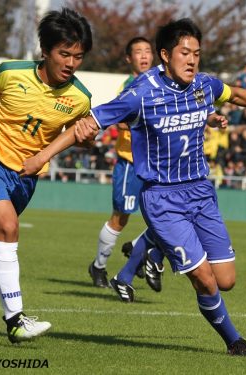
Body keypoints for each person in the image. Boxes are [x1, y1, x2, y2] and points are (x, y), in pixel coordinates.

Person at [22, 18, 246, 356]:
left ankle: (154, 247)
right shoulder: (140, 93)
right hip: (162, 198)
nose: (193, 60)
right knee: (205, 280)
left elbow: (236, 95)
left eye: (197, 53)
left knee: (226, 279)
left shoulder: (203, 85)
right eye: (185, 53)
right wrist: (41, 156)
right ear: (165, 55)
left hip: (200, 192)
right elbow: (91, 121)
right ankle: (234, 341)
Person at [0, 8, 93, 343]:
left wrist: (87, 139)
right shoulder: (10, 73)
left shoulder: (80, 98)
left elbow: (77, 137)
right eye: (64, 54)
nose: (71, 63)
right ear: (45, 50)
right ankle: (15, 319)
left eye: (78, 57)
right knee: (8, 227)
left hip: (24, 181)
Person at [87, 36, 165, 293]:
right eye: (138, 52)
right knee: (121, 218)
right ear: (128, 59)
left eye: (147, 51)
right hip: (131, 162)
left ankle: (135, 248)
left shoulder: (161, 82)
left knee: (164, 215)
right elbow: (119, 118)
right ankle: (99, 266)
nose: (143, 56)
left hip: (155, 164)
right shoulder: (129, 86)